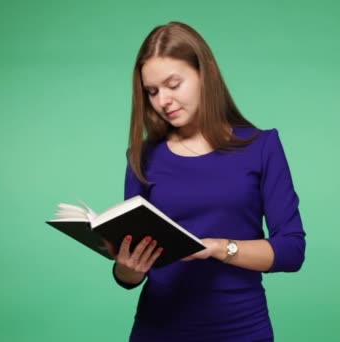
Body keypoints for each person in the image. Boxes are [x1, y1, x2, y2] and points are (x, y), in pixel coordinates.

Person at [103, 21, 306, 341]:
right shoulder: (141, 157)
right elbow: (129, 278)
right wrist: (128, 269)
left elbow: (292, 250)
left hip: (241, 329)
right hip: (158, 329)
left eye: (173, 84)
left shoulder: (262, 147)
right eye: (152, 92)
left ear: (205, 73)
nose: (162, 101)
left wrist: (217, 248)